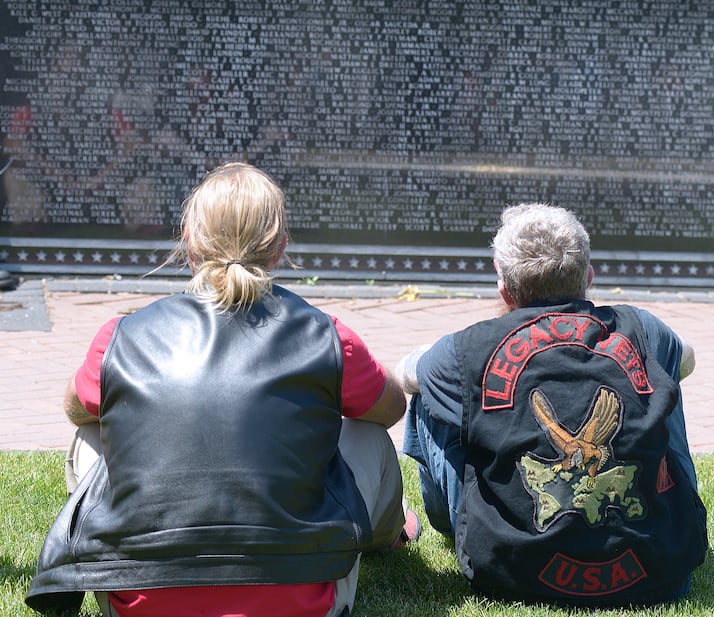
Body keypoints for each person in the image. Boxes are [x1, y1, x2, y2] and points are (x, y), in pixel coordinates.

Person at [26, 162, 420, 617]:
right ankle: (388, 536)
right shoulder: (327, 335)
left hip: (139, 605)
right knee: (365, 432)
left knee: (91, 433)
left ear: (190, 242)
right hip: (304, 602)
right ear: (279, 248)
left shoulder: (120, 336)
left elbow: (76, 410)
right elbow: (390, 409)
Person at [398, 202, 707, 607]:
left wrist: (437, 356)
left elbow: (406, 374)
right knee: (662, 371)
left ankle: (453, 525)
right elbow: (686, 358)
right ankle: (666, 519)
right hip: (658, 573)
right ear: (589, 278)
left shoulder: (466, 350)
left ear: (504, 288)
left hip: (510, 575)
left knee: (432, 395)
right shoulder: (641, 327)